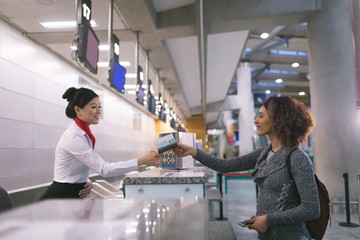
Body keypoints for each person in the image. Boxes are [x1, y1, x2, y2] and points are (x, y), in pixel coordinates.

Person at [174, 95, 320, 240]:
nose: (256, 120)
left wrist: (269, 219)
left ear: (278, 120)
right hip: (266, 236)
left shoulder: (298, 158)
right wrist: (194, 152)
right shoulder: (263, 154)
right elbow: (225, 165)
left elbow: (312, 208)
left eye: (261, 116)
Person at [39, 87, 160, 200]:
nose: (98, 112)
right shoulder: (73, 137)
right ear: (77, 110)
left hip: (73, 193)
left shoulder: (82, 134)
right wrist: (141, 161)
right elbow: (105, 169)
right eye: (93, 107)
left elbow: (74, 171)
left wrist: (86, 182)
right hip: (60, 196)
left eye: (99, 107)